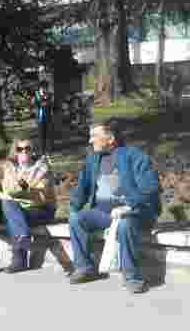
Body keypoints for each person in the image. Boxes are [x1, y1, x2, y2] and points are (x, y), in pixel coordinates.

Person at [68, 122, 160, 294]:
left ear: (110, 139)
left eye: (95, 136)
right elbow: (83, 187)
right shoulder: (93, 159)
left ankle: (132, 277)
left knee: (125, 225)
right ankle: (84, 267)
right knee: (76, 219)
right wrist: (74, 207)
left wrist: (128, 206)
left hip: (135, 213)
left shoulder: (134, 156)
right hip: (104, 213)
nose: (90, 140)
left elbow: (151, 187)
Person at [0, 139, 58, 274]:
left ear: (33, 151)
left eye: (28, 148)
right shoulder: (9, 168)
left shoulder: (42, 168)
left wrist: (23, 192)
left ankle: (18, 260)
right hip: (19, 209)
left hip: (42, 209)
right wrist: (24, 190)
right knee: (10, 207)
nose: (24, 151)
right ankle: (23, 238)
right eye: (20, 149)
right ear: (15, 152)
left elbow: (41, 196)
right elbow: (7, 188)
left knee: (12, 213)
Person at [33, 82, 53, 155]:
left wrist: (46, 102)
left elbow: (51, 104)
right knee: (41, 135)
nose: (45, 89)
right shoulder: (37, 94)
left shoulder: (49, 94)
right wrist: (43, 102)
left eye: (46, 87)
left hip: (48, 117)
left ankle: (48, 150)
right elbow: (36, 104)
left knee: (48, 134)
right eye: (43, 87)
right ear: (40, 87)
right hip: (40, 117)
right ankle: (42, 151)